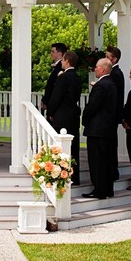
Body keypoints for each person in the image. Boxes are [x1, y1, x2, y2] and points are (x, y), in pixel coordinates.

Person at [81, 58, 117, 200]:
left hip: (97, 129)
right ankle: (108, 189)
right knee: (106, 159)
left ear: (102, 69)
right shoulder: (112, 84)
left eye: (96, 67)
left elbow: (92, 107)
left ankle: (99, 190)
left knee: (97, 161)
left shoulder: (101, 85)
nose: (94, 69)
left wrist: (84, 120)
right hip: (107, 129)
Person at [46, 50, 81, 186]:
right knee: (74, 147)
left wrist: (50, 112)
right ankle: (75, 175)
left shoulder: (63, 77)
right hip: (73, 115)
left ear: (66, 61)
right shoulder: (77, 77)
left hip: (62, 116)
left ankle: (62, 175)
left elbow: (56, 97)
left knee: (60, 147)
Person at [106, 46, 125, 180]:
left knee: (111, 144)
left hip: (111, 115)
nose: (105, 60)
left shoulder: (115, 74)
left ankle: (112, 171)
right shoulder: (115, 72)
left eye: (108, 57)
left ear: (114, 59)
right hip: (112, 115)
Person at [40, 43, 67, 116]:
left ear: (60, 53)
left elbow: (53, 86)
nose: (50, 53)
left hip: (56, 106)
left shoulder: (61, 67)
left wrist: (46, 100)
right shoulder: (57, 66)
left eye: (53, 51)